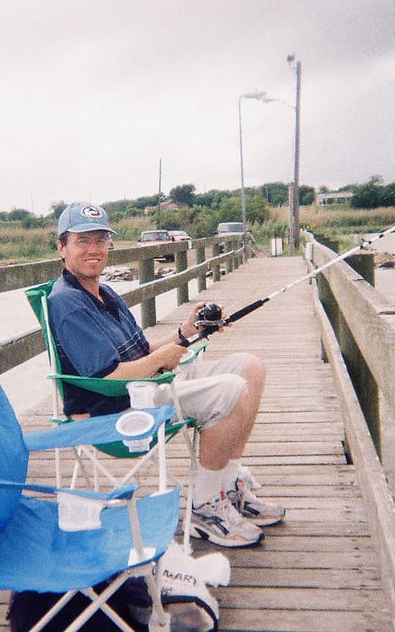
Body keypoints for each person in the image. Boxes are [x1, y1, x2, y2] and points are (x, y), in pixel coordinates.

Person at [48, 202, 284, 548]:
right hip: (115, 410)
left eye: (100, 240)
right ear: (61, 247)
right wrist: (163, 358)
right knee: (230, 388)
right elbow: (109, 379)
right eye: (82, 241)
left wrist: (186, 333)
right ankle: (205, 508)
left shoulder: (103, 292)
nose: (94, 250)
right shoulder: (68, 302)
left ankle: (227, 485)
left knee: (251, 367)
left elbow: (140, 352)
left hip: (144, 387)